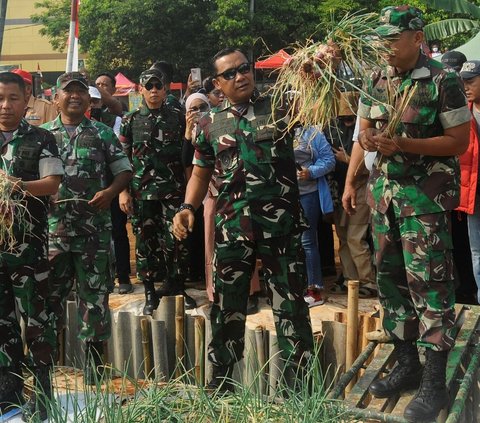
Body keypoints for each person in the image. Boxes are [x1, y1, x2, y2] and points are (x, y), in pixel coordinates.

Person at [342, 6, 471, 422]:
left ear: (417, 38)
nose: (385, 48)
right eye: (380, 41)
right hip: (384, 198)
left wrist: (404, 145)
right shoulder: (375, 78)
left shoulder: (443, 81)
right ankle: (407, 364)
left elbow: (458, 142)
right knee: (390, 279)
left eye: (392, 40)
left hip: (424, 201)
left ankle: (433, 381)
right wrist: (352, 177)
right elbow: (363, 132)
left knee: (429, 284)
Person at [173, 48, 314, 392]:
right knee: (226, 308)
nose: (241, 76)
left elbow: (315, 95)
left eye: (244, 69)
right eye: (231, 73)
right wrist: (187, 208)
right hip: (232, 229)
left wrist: (316, 68)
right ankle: (220, 384)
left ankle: (300, 388)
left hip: (281, 228)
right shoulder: (208, 123)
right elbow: (200, 174)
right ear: (218, 83)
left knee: (291, 308)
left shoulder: (279, 107)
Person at [42, 72, 132, 384]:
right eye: (69, 92)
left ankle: (94, 373)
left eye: (81, 91)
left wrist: (110, 193)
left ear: (88, 98)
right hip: (53, 233)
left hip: (93, 233)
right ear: (57, 98)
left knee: (94, 301)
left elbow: (124, 171)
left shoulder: (103, 134)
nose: (75, 96)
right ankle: (46, 371)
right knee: (48, 301)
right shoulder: (41, 136)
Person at [119, 67, 196, 314]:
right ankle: (150, 292)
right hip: (141, 193)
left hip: (173, 191)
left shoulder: (178, 116)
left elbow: (188, 154)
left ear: (165, 89)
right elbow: (123, 160)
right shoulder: (130, 120)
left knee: (177, 241)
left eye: (158, 86)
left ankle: (177, 287)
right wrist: (123, 192)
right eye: (148, 86)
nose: (153, 91)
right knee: (145, 243)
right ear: (141, 89)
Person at [326, 95, 377, 299]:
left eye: (350, 118)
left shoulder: (364, 131)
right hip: (338, 193)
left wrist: (346, 159)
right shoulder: (333, 130)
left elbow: (368, 165)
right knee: (344, 239)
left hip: (361, 190)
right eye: (343, 118)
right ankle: (350, 279)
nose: (346, 121)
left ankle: (369, 282)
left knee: (356, 239)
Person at [89, 86, 133, 294]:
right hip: (86, 194)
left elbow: (122, 164)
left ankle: (123, 276)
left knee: (117, 232)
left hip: (112, 189)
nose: (92, 105)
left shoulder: (112, 125)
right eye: (89, 101)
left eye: (95, 101)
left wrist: (119, 191)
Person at [293, 124, 335, 306]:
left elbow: (329, 160)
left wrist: (311, 172)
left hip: (307, 193)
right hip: (283, 195)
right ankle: (295, 287)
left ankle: (314, 290)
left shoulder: (312, 133)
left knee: (307, 241)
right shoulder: (273, 129)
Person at [458, 60, 480, 304]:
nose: (466, 86)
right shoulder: (462, 113)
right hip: (474, 195)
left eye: (471, 80)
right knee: (477, 253)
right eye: (464, 81)